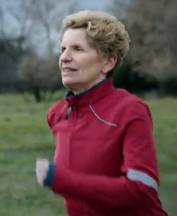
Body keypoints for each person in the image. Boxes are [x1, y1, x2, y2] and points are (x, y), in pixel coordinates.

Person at [35, 10, 169, 216]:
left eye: (77, 49)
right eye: (63, 49)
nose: (64, 58)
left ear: (108, 62)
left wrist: (60, 180)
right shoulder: (58, 115)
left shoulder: (130, 110)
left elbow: (142, 190)